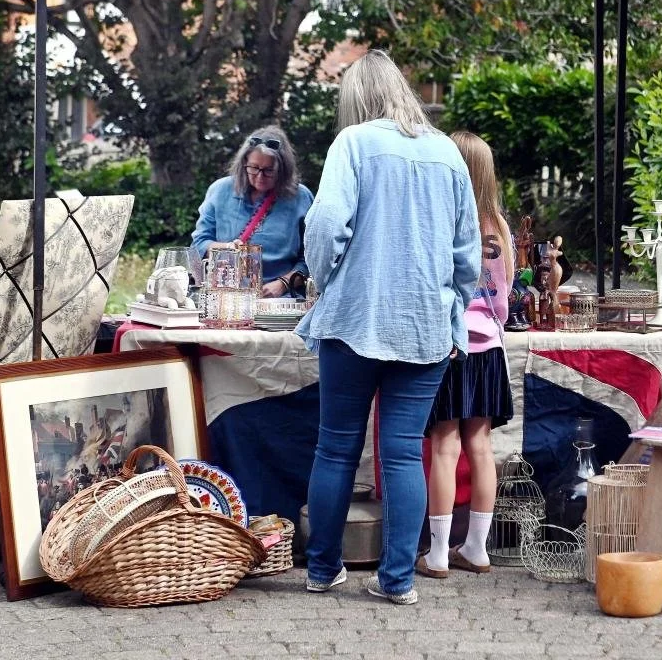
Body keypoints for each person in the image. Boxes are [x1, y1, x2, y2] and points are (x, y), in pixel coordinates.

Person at [296, 50, 481, 606]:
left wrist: (324, 279)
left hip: (355, 317)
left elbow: (326, 225)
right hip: (423, 324)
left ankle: (323, 569)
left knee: (335, 451)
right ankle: (398, 581)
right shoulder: (447, 152)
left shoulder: (352, 144)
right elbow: (466, 252)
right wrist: (451, 307)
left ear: (356, 98)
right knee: (403, 455)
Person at [415, 131, 514, 579]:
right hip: (488, 346)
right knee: (480, 444)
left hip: (450, 343)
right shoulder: (499, 227)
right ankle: (476, 548)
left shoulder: (442, 219)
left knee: (443, 445)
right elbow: (505, 297)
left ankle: (436, 554)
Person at [192, 125, 314, 297]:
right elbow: (198, 244)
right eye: (254, 168)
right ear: (244, 164)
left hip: (280, 300)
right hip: (225, 299)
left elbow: (312, 258)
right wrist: (227, 248)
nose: (259, 176)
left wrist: (284, 283)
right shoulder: (220, 191)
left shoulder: (300, 197)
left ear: (283, 169)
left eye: (269, 170)